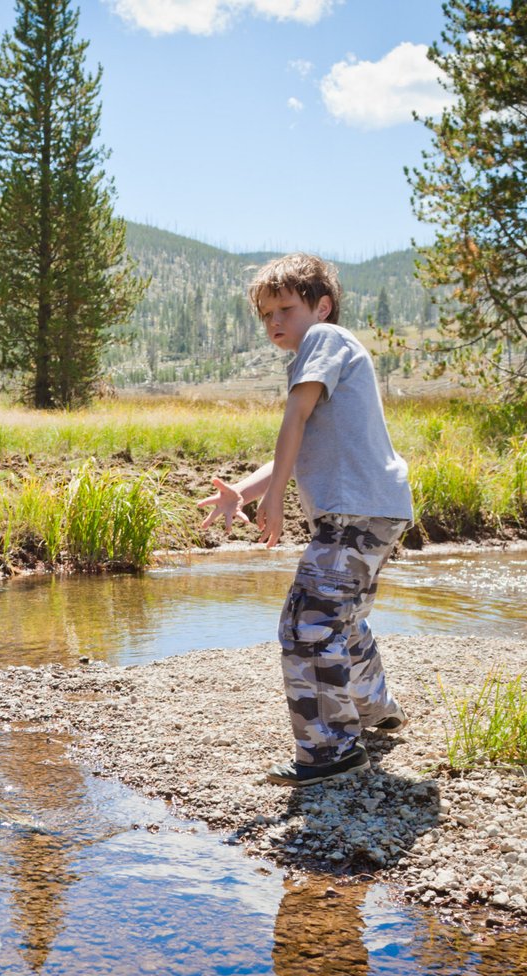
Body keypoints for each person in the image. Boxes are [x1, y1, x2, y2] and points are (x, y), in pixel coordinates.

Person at [199, 253, 414, 787]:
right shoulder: (326, 352)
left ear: (322, 307)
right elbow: (297, 443)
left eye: (286, 309)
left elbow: (293, 420)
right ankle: (373, 709)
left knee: (307, 624)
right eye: (266, 314)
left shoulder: (323, 339)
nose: (275, 323)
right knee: (339, 615)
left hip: (354, 511)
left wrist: (274, 500)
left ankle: (330, 751)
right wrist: (245, 494)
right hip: (376, 508)